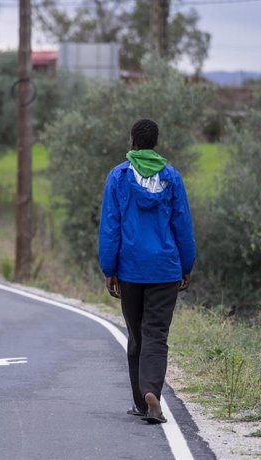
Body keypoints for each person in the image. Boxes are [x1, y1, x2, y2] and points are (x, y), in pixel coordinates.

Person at [98, 119, 195, 424]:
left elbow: (111, 227)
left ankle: (142, 403)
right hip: (165, 269)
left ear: (132, 141)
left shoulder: (119, 176)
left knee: (137, 335)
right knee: (156, 335)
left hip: (130, 270)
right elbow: (182, 225)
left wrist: (109, 268)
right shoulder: (172, 177)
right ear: (155, 142)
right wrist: (186, 264)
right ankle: (152, 391)